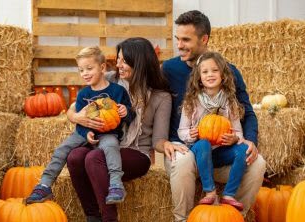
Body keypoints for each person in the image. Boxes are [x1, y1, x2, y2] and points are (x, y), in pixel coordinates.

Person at [160, 10, 266, 220]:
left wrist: (249, 141)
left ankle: (234, 216)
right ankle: (182, 219)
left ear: (204, 39)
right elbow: (153, 104)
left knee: (258, 163)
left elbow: (248, 112)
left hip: (222, 151)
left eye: (186, 40)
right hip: (186, 148)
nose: (179, 45)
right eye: (177, 39)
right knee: (181, 161)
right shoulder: (169, 69)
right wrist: (160, 141)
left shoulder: (230, 72)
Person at [66, 37, 172, 222]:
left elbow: (158, 140)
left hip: (136, 152)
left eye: (124, 60)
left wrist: (170, 146)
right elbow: (75, 107)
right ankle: (92, 216)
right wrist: (76, 117)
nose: (118, 65)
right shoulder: (109, 80)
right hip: (106, 142)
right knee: (74, 157)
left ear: (138, 62)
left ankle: (110, 219)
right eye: (118, 59)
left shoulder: (160, 97)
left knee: (94, 158)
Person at [26, 46, 135, 205]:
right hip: (84, 132)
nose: (85, 73)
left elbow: (129, 116)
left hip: (108, 132)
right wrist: (86, 133)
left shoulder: (118, 91)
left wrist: (127, 112)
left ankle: (116, 185)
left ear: (102, 67)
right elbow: (79, 119)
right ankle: (45, 184)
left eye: (89, 68)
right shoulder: (83, 94)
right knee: (62, 149)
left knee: (111, 146)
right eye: (81, 70)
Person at [178, 51, 249, 211]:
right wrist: (191, 134)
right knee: (203, 143)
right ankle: (210, 192)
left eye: (215, 70)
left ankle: (229, 194)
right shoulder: (192, 102)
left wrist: (234, 139)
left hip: (221, 152)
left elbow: (238, 132)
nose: (210, 74)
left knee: (243, 150)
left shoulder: (230, 102)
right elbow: (181, 130)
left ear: (223, 75)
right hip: (200, 151)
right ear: (199, 78)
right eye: (205, 71)